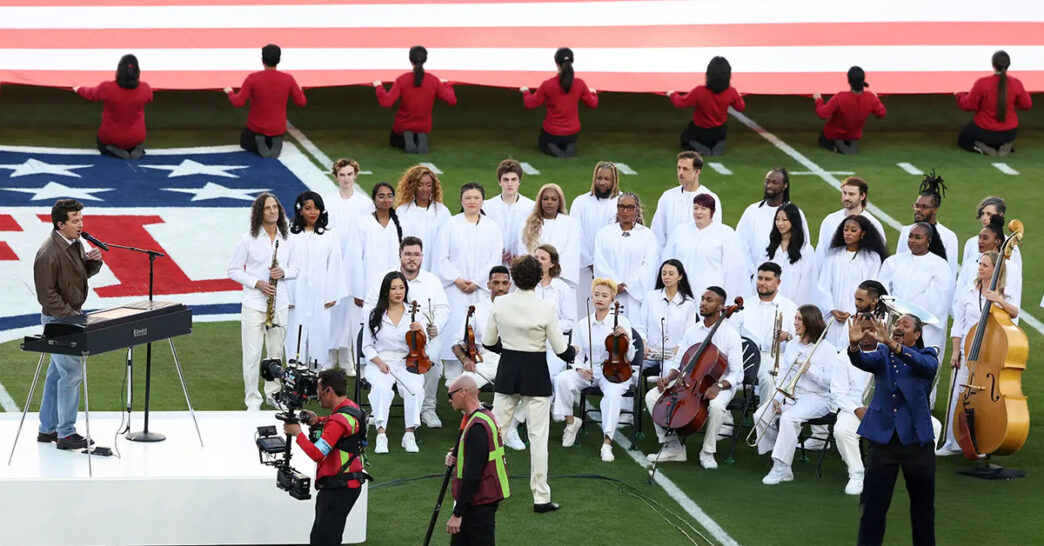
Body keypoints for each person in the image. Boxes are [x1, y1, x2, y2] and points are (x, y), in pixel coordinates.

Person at [482, 255, 576, 513]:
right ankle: (541, 497)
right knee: (538, 438)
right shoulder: (546, 308)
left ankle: (482, 487)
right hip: (536, 374)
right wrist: (574, 353)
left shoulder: (500, 303)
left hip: (508, 371)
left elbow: (489, 342)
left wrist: (511, 353)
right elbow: (561, 349)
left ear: (513, 278)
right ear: (538, 279)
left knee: (494, 434)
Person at [847, 314, 938, 546]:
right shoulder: (883, 354)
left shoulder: (928, 355)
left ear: (917, 335)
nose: (898, 326)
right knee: (873, 505)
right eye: (896, 323)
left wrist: (892, 345)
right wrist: (854, 346)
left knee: (923, 507)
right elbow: (862, 362)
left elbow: (925, 367)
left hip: (916, 441)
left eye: (905, 325)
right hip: (883, 440)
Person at [644, 287, 743, 468]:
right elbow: (679, 362)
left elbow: (738, 373)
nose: (703, 303)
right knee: (651, 397)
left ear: (721, 307)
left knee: (717, 406)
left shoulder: (731, 335)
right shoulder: (692, 331)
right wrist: (669, 378)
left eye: (709, 300)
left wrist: (718, 387)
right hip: (690, 380)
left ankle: (708, 451)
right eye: (703, 298)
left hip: (720, 383)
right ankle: (673, 446)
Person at [34, 199, 104, 449]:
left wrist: (92, 263)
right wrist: (69, 316)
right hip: (59, 320)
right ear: (60, 224)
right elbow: (46, 294)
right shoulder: (48, 253)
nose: (81, 225)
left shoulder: (73, 244)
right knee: (72, 374)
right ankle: (66, 433)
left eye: (81, 219)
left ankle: (47, 429)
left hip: (67, 316)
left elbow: (77, 276)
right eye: (75, 221)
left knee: (56, 375)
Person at [362, 236, 450, 429]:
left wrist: (434, 327)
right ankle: (380, 410)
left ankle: (427, 408)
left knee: (431, 360)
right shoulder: (385, 278)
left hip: (424, 337)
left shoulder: (432, 281)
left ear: (422, 256)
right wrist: (376, 322)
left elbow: (443, 308)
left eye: (416, 254)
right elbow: (369, 305)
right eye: (408, 254)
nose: (412, 258)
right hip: (389, 336)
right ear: (400, 255)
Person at [939, 250, 1019, 455]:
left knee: (984, 399)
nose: (980, 268)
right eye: (980, 264)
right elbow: (959, 323)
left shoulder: (1005, 291)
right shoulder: (968, 290)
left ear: (995, 269)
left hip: (993, 353)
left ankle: (983, 441)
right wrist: (955, 351)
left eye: (985, 265)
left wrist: (999, 300)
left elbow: (1014, 312)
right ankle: (952, 442)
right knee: (959, 393)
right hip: (968, 350)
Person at [227, 193, 299, 410]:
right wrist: (256, 282)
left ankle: (274, 394)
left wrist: (283, 272)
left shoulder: (287, 239)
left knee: (276, 352)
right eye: (267, 208)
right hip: (254, 303)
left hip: (279, 302)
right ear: (260, 212)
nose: (272, 211)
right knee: (252, 354)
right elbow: (233, 270)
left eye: (275, 207)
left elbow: (297, 268)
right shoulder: (247, 239)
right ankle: (252, 399)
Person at [753, 305, 838, 485]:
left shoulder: (828, 349)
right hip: (791, 395)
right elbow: (784, 373)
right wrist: (777, 398)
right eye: (796, 318)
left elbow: (831, 382)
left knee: (788, 419)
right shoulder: (792, 345)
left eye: (799, 319)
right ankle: (780, 449)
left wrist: (810, 370)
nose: (795, 322)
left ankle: (782, 467)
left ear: (809, 322)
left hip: (816, 398)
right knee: (760, 415)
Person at [282, 369, 369, 546]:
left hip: (338, 488)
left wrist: (297, 433)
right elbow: (337, 426)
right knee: (329, 536)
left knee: (323, 539)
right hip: (347, 484)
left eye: (318, 391)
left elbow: (317, 453)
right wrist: (318, 420)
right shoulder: (351, 408)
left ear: (328, 390)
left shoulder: (338, 421)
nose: (317, 396)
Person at [438, 183, 504, 411]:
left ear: (482, 201)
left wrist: (477, 281)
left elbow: (494, 258)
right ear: (461, 200)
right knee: (457, 328)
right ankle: (453, 373)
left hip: (481, 287)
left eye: (476, 197)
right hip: (456, 287)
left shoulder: (492, 227)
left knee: (480, 327)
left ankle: (478, 374)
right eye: (468, 197)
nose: (472, 201)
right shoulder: (450, 225)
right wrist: (457, 279)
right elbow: (442, 256)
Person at [555, 278, 636, 462]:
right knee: (561, 379)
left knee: (613, 395)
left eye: (605, 295)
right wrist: (580, 368)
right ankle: (571, 423)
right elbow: (575, 352)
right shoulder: (583, 324)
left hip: (615, 371)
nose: (600, 298)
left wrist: (626, 337)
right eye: (596, 294)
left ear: (612, 298)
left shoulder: (622, 321)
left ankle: (607, 442)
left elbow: (629, 356)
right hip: (590, 370)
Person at [828, 281, 884, 496]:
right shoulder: (845, 357)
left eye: (871, 331)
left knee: (932, 425)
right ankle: (857, 473)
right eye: (862, 331)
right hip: (855, 407)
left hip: (884, 407)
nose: (867, 335)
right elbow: (838, 393)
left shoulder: (888, 352)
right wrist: (857, 409)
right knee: (842, 430)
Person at [363, 271, 428, 453]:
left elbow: (424, 344)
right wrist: (379, 362)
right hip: (381, 361)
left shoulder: (414, 313)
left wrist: (421, 331)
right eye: (393, 288)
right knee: (382, 388)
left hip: (407, 361)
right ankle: (381, 434)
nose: (398, 292)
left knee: (415, 389)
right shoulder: (374, 314)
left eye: (401, 288)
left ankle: (409, 434)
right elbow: (367, 346)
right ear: (386, 291)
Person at [284, 192, 348, 370]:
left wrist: (332, 293)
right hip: (296, 294)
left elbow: (335, 264)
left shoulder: (329, 235)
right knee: (294, 336)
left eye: (316, 208)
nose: (313, 212)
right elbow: (285, 264)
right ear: (300, 210)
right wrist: (287, 296)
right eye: (308, 208)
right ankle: (294, 377)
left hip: (320, 295)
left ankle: (316, 377)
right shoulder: (289, 235)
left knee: (318, 337)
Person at [444, 375, 510, 544]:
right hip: (482, 499)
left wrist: (458, 513)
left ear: (463, 392)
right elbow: (479, 455)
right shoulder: (485, 416)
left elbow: (472, 474)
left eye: (450, 395)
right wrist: (458, 456)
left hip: (477, 503)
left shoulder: (476, 427)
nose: (450, 401)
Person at [879, 223, 954, 366]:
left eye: (918, 237)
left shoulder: (940, 265)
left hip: (925, 327)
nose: (912, 241)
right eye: (910, 236)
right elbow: (883, 291)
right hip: (894, 323)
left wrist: (910, 319)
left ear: (928, 241)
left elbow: (939, 300)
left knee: (920, 366)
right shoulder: (893, 261)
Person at [325, 158, 374, 371]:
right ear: (336, 177)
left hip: (356, 265)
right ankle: (330, 356)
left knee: (352, 312)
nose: (346, 178)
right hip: (333, 263)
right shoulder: (328, 202)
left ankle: (348, 358)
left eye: (349, 174)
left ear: (355, 175)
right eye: (342, 175)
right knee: (334, 309)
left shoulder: (365, 204)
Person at [662, 194, 749, 304]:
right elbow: (668, 261)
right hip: (682, 295)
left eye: (703, 208)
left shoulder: (725, 234)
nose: (698, 212)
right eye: (696, 208)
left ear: (712, 211)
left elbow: (734, 271)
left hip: (710, 296)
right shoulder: (680, 231)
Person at [224, 44, 306, 158]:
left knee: (245, 141)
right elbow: (301, 102)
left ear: (262, 60)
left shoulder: (252, 78)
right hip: (278, 129)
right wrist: (300, 91)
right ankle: (275, 141)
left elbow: (238, 102)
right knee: (274, 135)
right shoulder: (288, 79)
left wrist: (230, 92)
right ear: (279, 60)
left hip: (255, 129)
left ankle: (258, 142)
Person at [817, 215, 887, 349]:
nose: (848, 234)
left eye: (853, 230)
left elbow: (873, 289)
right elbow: (823, 286)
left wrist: (853, 312)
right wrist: (832, 309)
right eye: (845, 230)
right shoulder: (833, 256)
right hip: (833, 318)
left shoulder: (872, 258)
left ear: (863, 233)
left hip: (859, 318)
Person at [731, 262, 797, 400]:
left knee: (768, 380)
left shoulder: (790, 307)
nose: (762, 283)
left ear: (778, 282)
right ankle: (725, 417)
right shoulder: (744, 305)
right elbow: (732, 334)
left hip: (772, 357)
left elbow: (798, 338)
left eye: (767, 279)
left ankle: (764, 419)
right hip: (745, 356)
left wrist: (788, 336)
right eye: (759, 278)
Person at [374, 45, 457, 154]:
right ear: (425, 60)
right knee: (419, 132)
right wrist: (446, 84)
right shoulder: (433, 80)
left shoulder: (402, 80)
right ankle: (420, 137)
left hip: (402, 125)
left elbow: (387, 102)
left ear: (410, 60)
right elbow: (452, 100)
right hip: (424, 126)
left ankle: (407, 137)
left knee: (394, 142)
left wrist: (378, 87)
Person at [593, 192, 659, 324]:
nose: (625, 211)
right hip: (611, 295)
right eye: (621, 207)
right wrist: (614, 285)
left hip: (635, 298)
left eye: (630, 207)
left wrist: (628, 285)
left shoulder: (647, 236)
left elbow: (649, 266)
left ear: (636, 210)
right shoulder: (604, 234)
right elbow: (600, 263)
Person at [521, 47, 598, 157]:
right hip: (573, 133)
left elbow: (530, 103)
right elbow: (593, 103)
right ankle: (568, 147)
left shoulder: (548, 85)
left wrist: (526, 92)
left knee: (542, 144)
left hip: (552, 132)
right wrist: (594, 93)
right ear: (572, 62)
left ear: (556, 63)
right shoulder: (580, 84)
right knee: (567, 140)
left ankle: (553, 148)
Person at [74, 54, 153, 159]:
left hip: (111, 137)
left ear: (119, 71)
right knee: (134, 140)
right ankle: (135, 148)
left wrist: (78, 89)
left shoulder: (106, 88)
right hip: (136, 137)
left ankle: (112, 149)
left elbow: (90, 94)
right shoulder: (145, 89)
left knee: (101, 141)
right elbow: (150, 98)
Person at [956, 50, 1032, 156]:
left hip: (984, 130)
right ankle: (1004, 145)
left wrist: (959, 94)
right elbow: (1026, 104)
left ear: (993, 65)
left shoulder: (982, 83)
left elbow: (968, 105)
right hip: (1009, 132)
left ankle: (982, 147)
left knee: (964, 139)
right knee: (998, 136)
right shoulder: (1016, 83)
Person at [735, 168, 810, 274]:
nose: (769, 185)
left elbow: (803, 245)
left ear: (785, 185)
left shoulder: (796, 213)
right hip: (755, 277)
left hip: (788, 275)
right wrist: (752, 272)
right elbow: (740, 243)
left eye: (775, 182)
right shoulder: (752, 211)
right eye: (767, 181)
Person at [666, 56, 745, 155]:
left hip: (700, 132)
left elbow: (680, 103)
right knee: (719, 133)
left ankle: (698, 147)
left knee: (685, 138)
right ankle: (718, 144)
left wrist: (673, 94)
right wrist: (738, 95)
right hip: (719, 132)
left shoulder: (699, 91)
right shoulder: (731, 92)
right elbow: (740, 107)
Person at [351, 182, 404, 330]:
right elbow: (355, 259)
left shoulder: (399, 223)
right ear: (374, 199)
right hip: (369, 284)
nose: (386, 200)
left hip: (394, 286)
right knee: (367, 326)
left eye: (389, 196)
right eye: (381, 196)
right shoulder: (363, 223)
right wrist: (358, 290)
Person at [453, 266, 512, 391]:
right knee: (463, 385)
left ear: (510, 285)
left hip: (514, 360)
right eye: (496, 283)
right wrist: (466, 360)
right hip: (485, 361)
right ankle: (478, 411)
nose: (500, 288)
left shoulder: (519, 308)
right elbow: (457, 344)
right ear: (489, 285)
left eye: (504, 283)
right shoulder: (476, 310)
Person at [957, 200, 1022, 310]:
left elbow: (1014, 288)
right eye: (982, 213)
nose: (984, 217)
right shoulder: (971, 243)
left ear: (1000, 215)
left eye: (989, 214)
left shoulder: (1011, 247)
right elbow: (963, 281)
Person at [572, 161, 622, 307]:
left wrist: (603, 266)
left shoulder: (621, 203)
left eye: (607, 179)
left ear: (614, 180)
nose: (602, 182)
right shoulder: (580, 202)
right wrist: (591, 263)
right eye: (599, 178)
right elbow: (576, 235)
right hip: (585, 268)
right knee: (584, 307)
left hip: (612, 268)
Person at [635, 260, 698, 374]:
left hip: (672, 355)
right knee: (631, 367)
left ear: (680, 276)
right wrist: (643, 343)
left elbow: (690, 333)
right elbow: (640, 325)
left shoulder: (689, 303)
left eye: (671, 274)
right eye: (664, 273)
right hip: (650, 352)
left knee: (669, 374)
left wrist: (677, 349)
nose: (666, 277)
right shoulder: (650, 297)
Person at [650, 151, 723, 248]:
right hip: (670, 259)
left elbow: (714, 234)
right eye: (679, 168)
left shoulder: (711, 198)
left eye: (685, 169)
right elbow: (657, 233)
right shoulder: (668, 197)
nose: (680, 173)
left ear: (697, 172)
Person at [518, 183, 582, 288]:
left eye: (553, 199)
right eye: (545, 199)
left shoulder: (571, 224)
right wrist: (537, 273)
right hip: (534, 280)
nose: (549, 202)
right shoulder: (526, 224)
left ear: (559, 202)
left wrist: (551, 275)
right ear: (540, 201)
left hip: (560, 281)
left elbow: (571, 253)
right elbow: (524, 252)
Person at [895, 172, 959, 277]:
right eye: (917, 206)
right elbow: (898, 262)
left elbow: (950, 272)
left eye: (924, 207)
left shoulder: (949, 236)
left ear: (935, 209)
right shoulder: (906, 231)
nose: (918, 210)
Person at [812, 66, 887, 155]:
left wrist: (818, 100)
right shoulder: (870, 97)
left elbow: (822, 114)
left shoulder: (840, 97)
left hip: (833, 134)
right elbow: (881, 114)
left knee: (823, 138)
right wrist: (875, 99)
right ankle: (845, 144)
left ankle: (836, 146)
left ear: (849, 80)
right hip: (854, 135)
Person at [815, 177, 887, 264]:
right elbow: (821, 252)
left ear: (862, 196)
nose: (846, 198)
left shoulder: (872, 223)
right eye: (844, 193)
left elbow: (880, 255)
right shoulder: (830, 220)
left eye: (851, 194)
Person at [757, 203, 817, 306]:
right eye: (777, 219)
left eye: (784, 220)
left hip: (793, 307)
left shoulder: (805, 250)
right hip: (768, 304)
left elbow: (808, 285)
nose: (780, 223)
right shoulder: (768, 247)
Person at [395, 165, 451, 273]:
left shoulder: (442, 212)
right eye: (420, 185)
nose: (425, 189)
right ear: (412, 186)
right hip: (410, 267)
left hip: (436, 267)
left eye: (429, 185)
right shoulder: (402, 211)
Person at [534, 244, 576, 379]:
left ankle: (551, 400)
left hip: (555, 342)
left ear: (552, 264)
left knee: (550, 373)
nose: (538, 261)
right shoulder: (528, 285)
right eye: (536, 258)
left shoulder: (562, 288)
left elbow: (570, 320)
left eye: (543, 258)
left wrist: (549, 327)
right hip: (531, 340)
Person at [484, 159, 536, 266]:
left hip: (522, 266)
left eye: (514, 179)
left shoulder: (531, 207)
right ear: (500, 181)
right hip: (493, 265)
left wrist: (523, 256)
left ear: (519, 181)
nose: (510, 184)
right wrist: (496, 255)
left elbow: (536, 236)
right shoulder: (487, 206)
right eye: (506, 180)